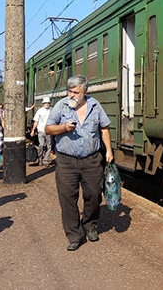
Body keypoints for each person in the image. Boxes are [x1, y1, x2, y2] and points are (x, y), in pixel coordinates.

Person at [45, 75, 113, 251]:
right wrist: (63, 128)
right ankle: (74, 235)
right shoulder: (61, 106)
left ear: (85, 91)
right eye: (70, 91)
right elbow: (48, 128)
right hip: (66, 161)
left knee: (94, 194)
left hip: (91, 159)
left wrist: (109, 151)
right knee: (67, 198)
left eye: (76, 92)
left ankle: (90, 224)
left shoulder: (95, 106)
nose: (72, 95)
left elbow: (104, 129)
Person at [31, 97, 52, 166]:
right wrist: (33, 130)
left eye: (48, 103)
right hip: (41, 130)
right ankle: (40, 158)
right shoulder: (39, 111)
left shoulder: (52, 110)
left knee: (49, 146)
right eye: (45, 103)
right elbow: (36, 121)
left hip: (49, 131)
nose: (47, 104)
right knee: (41, 145)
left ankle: (45, 160)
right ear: (43, 103)